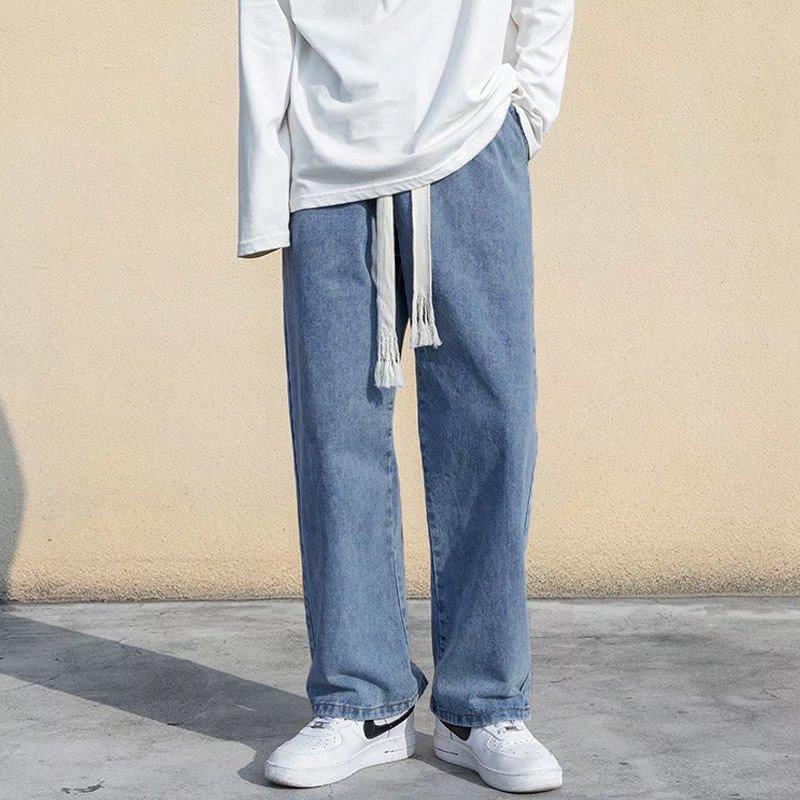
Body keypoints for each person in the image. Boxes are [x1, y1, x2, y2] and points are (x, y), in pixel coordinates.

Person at [237, 0, 574, 792]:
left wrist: (525, 116)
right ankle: (363, 702)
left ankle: (483, 706)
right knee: (335, 434)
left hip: (471, 144)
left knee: (491, 427)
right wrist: (264, 189)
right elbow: (264, 23)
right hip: (326, 167)